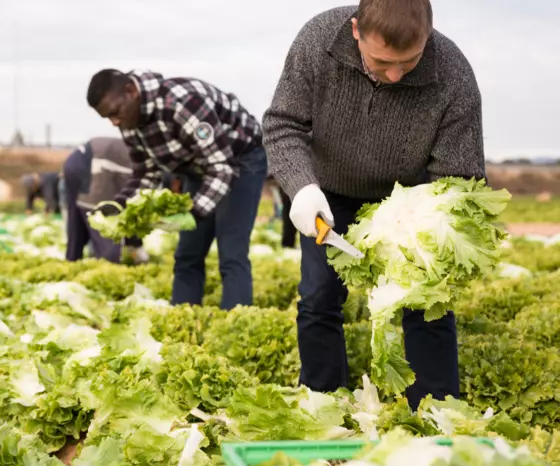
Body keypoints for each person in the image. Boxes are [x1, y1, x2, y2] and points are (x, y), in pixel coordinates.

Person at [263, 0, 486, 410]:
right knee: (318, 297)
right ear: (355, 33)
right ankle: (322, 406)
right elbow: (283, 123)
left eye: (410, 60)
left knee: (426, 303)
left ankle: (436, 415)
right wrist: (301, 186)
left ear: (428, 37)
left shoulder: (453, 74)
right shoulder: (317, 41)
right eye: (382, 61)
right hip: (329, 194)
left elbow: (460, 176)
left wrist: (425, 225)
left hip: (411, 202)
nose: (397, 74)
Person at [87, 68, 267, 310]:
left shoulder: (182, 103)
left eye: (115, 113)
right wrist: (119, 204)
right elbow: (146, 173)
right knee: (187, 254)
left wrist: (193, 213)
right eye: (107, 118)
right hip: (198, 167)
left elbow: (222, 167)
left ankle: (236, 321)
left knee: (231, 252)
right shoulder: (129, 121)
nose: (114, 122)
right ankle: (182, 319)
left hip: (241, 160)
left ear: (131, 91)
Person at [63, 137, 149, 264]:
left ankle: (72, 261)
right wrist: (135, 243)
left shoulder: (140, 153)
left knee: (77, 219)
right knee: (102, 217)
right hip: (93, 161)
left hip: (75, 160)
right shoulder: (152, 168)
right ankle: (108, 263)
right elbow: (134, 202)